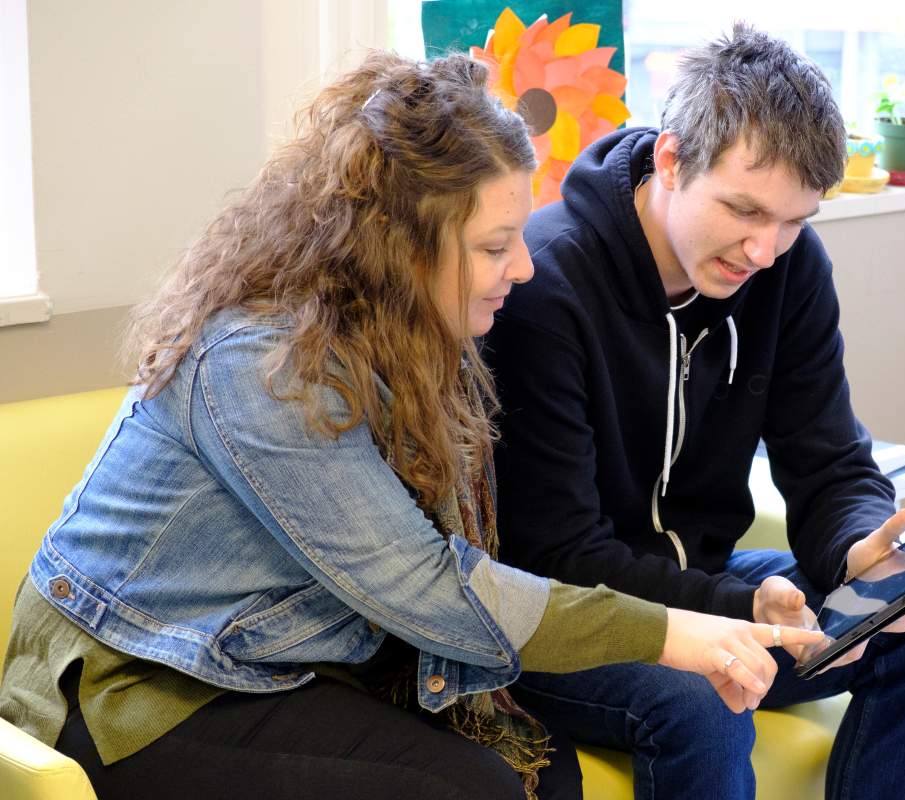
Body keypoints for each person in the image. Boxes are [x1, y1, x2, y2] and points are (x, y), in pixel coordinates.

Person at [0, 51, 823, 800]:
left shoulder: (413, 332)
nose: (526, 267)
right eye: (496, 245)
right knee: (478, 789)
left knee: (543, 771)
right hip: (136, 683)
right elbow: (432, 585)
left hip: (277, 655)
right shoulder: (263, 367)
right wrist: (679, 633)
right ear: (398, 244)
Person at [484, 24, 905, 800]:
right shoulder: (548, 287)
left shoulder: (789, 269)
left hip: (707, 585)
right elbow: (557, 557)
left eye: (793, 222)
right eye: (744, 211)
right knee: (701, 694)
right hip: (567, 622)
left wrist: (856, 549)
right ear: (672, 159)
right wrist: (732, 609)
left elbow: (828, 459)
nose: (763, 250)